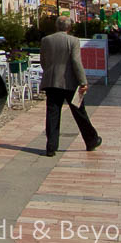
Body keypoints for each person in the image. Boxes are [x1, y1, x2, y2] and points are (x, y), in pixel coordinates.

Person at [40, 16, 101, 156]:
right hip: (70, 83)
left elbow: (43, 61)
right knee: (80, 112)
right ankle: (91, 140)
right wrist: (83, 81)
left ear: (56, 26)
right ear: (69, 27)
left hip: (51, 82)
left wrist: (49, 73)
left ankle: (51, 146)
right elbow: (76, 61)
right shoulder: (73, 40)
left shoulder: (46, 40)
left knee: (52, 113)